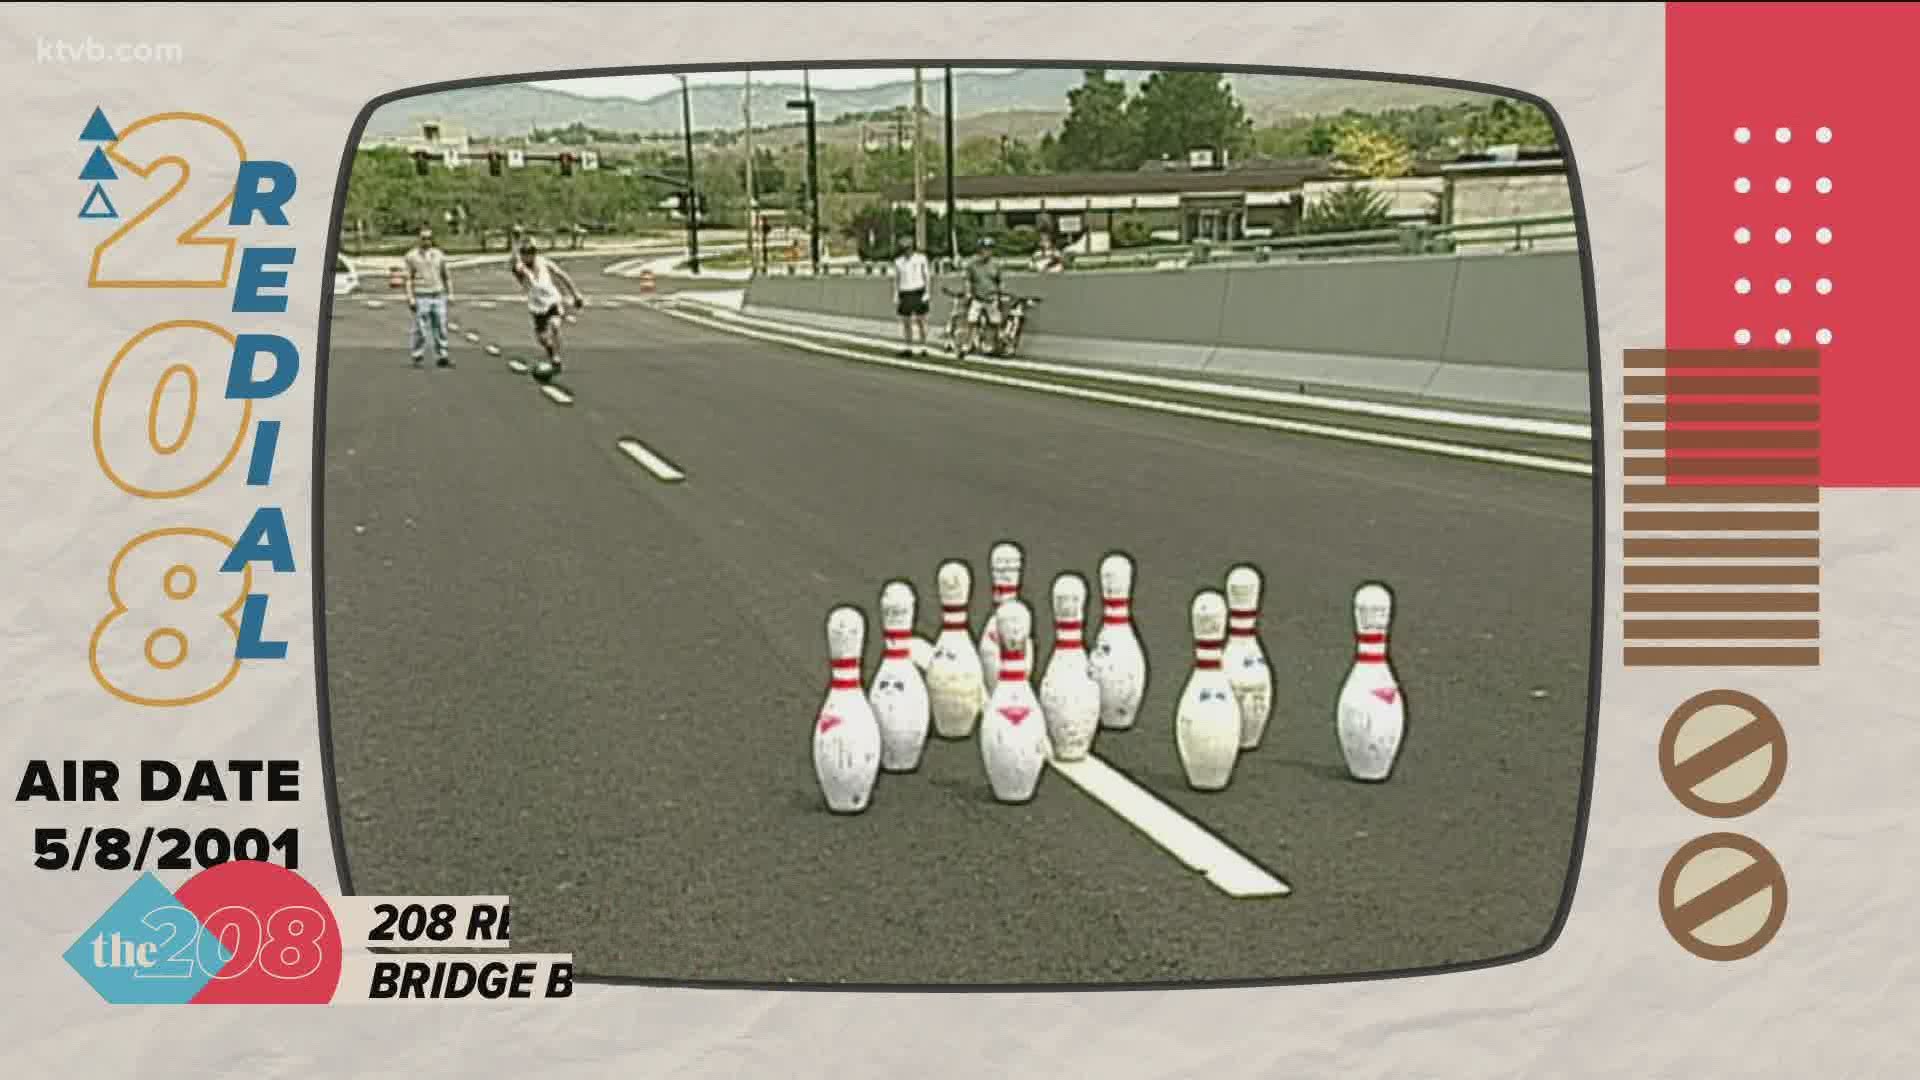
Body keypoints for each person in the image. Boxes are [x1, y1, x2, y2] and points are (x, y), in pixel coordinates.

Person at [512, 239, 585, 376]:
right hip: (537, 307)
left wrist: (576, 294)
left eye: (530, 253)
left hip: (552, 301)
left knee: (554, 325)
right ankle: (552, 354)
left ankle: (556, 358)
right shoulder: (521, 267)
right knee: (542, 338)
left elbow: (562, 276)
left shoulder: (544, 262)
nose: (527, 256)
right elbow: (518, 269)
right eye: (524, 254)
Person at [403, 225, 453, 368]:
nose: (427, 241)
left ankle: (442, 356)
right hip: (421, 296)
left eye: (429, 238)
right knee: (421, 329)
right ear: (419, 239)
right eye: (424, 238)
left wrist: (450, 294)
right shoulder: (411, 256)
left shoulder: (439, 255)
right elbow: (408, 279)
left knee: (441, 327)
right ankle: (417, 355)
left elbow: (446, 276)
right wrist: (410, 298)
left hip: (438, 295)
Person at [891, 238, 932, 357]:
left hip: (918, 290)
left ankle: (924, 346)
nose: (906, 251)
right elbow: (897, 279)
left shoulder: (921, 258)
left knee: (921, 321)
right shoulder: (898, 261)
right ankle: (908, 346)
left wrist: (927, 292)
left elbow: (927, 276)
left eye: (908, 248)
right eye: (904, 249)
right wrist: (896, 294)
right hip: (905, 292)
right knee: (906, 322)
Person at [962, 237, 1004, 342]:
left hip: (991, 298)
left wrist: (1000, 295)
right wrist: (968, 293)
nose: (987, 251)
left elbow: (1000, 281)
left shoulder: (996, 264)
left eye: (989, 249)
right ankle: (968, 342)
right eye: (984, 248)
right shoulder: (972, 264)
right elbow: (968, 280)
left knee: (996, 321)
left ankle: (996, 342)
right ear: (980, 250)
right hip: (977, 298)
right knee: (971, 320)